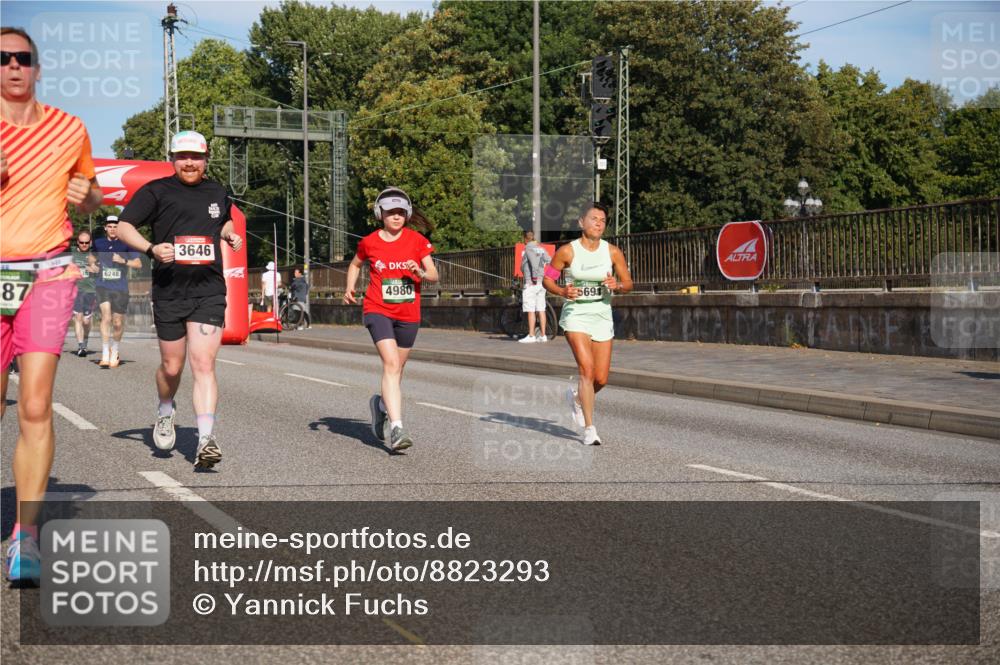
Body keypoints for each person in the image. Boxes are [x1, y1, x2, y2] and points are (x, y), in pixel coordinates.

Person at [1, 26, 102, 584]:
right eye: (2, 59)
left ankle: (26, 537)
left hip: (46, 274)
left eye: (23, 58)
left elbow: (93, 194)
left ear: (37, 68)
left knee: (36, 405)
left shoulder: (69, 128)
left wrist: (90, 198)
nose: (13, 66)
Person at [114, 130, 243, 469]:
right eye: (182, 156)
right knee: (172, 366)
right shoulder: (156, 191)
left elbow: (224, 218)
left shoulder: (216, 191)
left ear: (206, 159)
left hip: (208, 291)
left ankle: (205, 439)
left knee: (203, 364)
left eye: (196, 157)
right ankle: (165, 409)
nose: (189, 162)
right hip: (170, 290)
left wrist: (229, 234)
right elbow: (125, 225)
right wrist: (151, 249)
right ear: (172, 158)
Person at [343, 187, 438, 451]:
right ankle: (397, 429)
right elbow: (355, 264)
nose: (395, 217)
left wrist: (418, 270)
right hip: (377, 309)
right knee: (392, 363)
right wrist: (350, 287)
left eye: (400, 212)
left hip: (408, 313)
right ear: (380, 214)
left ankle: (381, 405)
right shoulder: (369, 241)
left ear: (406, 215)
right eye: (390, 212)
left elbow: (433, 275)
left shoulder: (417, 241)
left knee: (397, 371)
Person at [542, 202, 632, 446]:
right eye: (594, 219)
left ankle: (579, 398)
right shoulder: (567, 252)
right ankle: (590, 429)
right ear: (581, 222)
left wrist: (618, 286)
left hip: (602, 314)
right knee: (587, 370)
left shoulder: (613, 252)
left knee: (601, 379)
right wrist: (562, 290)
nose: (598, 224)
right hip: (576, 315)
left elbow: (628, 283)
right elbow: (547, 280)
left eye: (602, 220)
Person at [93, 215, 141, 367]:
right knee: (106, 317)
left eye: (115, 226)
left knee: (118, 322)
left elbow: (138, 264)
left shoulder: (126, 243)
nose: (113, 229)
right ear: (105, 228)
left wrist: (123, 261)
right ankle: (105, 352)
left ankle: (115, 350)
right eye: (110, 226)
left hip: (120, 287)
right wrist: (93, 264)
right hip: (102, 284)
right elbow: (91, 257)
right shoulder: (98, 243)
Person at [70, 231, 100, 357]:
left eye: (86, 243)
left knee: (86, 321)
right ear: (77, 242)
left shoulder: (94, 254)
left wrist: (93, 269)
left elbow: (101, 270)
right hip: (75, 290)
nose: (84, 245)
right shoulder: (71, 253)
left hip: (90, 291)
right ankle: (81, 346)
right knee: (78, 318)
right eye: (81, 242)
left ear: (90, 243)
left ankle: (85, 342)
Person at [518, 229, 551, 343]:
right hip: (541, 283)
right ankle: (543, 335)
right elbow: (549, 259)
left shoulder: (528, 247)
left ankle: (531, 336)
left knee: (531, 310)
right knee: (541, 309)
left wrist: (534, 277)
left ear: (526, 238)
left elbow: (533, 263)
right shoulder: (540, 248)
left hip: (532, 282)